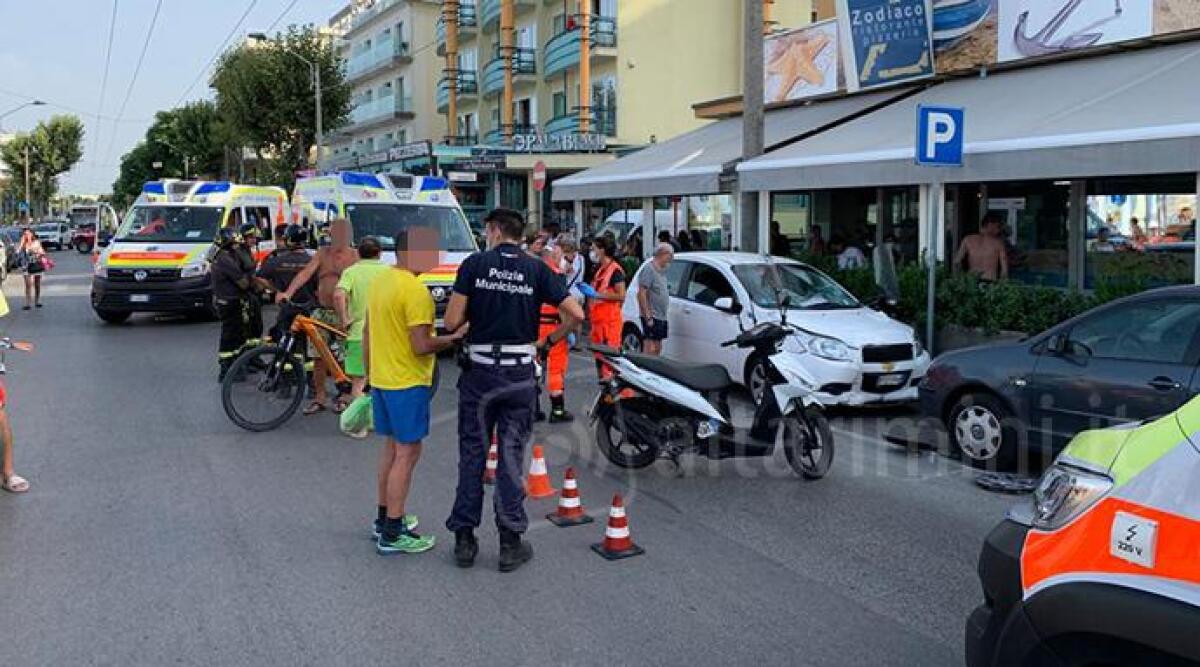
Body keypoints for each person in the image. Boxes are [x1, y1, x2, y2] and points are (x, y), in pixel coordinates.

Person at [443, 208, 583, 572]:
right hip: (520, 373)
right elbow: (576, 314)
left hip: (480, 373)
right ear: (520, 234)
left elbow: (452, 320)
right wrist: (547, 342)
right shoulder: (537, 268)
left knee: (473, 454)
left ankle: (464, 540)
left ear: (493, 230)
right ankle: (509, 543)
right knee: (509, 456)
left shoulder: (475, 264)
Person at [367, 227, 468, 556]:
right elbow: (421, 344)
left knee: (391, 451)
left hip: (382, 379)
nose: (437, 257)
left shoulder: (381, 280)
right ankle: (394, 533)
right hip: (407, 382)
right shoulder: (415, 291)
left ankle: (384, 520)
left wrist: (369, 375)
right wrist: (454, 338)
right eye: (431, 251)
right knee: (407, 455)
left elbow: (368, 332)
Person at [279, 218, 359, 415]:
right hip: (321, 311)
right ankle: (320, 397)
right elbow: (305, 274)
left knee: (344, 357)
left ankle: (345, 396)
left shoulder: (355, 256)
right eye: (332, 234)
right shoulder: (322, 254)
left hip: (344, 312)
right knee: (318, 358)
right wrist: (288, 293)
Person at [334, 236, 390, 408]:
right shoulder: (389, 272)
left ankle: (361, 422)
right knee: (385, 380)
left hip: (359, 334)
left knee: (358, 382)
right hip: (386, 335)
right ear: (379, 253)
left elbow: (338, 295)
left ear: (358, 253)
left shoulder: (351, 272)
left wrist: (344, 319)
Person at [535, 245, 573, 423]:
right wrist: (567, 328)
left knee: (533, 366)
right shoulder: (556, 276)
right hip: (553, 328)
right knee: (556, 368)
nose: (562, 259)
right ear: (552, 257)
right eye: (559, 255)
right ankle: (557, 411)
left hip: (534, 327)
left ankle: (533, 409)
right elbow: (563, 304)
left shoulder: (533, 273)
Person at [211, 227, 251, 382]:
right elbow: (242, 283)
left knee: (233, 334)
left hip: (223, 299)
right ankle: (227, 369)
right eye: (234, 243)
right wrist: (249, 279)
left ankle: (232, 366)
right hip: (230, 301)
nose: (237, 246)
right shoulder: (226, 260)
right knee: (230, 336)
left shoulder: (218, 255)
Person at [587, 234, 626, 379]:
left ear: (602, 250)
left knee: (609, 362)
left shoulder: (615, 271)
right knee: (600, 359)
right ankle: (606, 393)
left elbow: (621, 295)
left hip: (608, 325)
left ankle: (614, 396)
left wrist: (597, 295)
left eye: (594, 248)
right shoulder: (600, 269)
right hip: (599, 323)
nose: (592, 251)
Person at [637, 242, 674, 356]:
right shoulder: (649, 269)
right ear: (663, 254)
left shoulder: (662, 271)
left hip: (661, 316)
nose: (671, 259)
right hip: (652, 315)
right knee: (650, 348)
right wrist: (648, 316)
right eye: (670, 256)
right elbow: (642, 294)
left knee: (657, 347)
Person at [953, 212, 1009, 281]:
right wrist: (1002, 285)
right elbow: (1004, 270)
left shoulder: (968, 240)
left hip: (972, 282)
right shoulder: (998, 244)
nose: (999, 230)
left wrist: (961, 280)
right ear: (991, 225)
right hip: (990, 282)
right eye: (998, 227)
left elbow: (957, 262)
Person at [237, 223, 265, 349]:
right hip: (244, 295)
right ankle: (249, 357)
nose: (254, 240)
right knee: (248, 327)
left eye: (255, 237)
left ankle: (253, 355)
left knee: (257, 325)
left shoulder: (247, 251)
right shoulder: (238, 252)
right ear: (243, 237)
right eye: (250, 237)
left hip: (252, 293)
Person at [16, 228, 46, 311]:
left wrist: (38, 252)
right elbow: (17, 253)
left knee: (37, 284)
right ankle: (28, 303)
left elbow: (41, 252)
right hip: (26, 265)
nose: (27, 235)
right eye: (25, 234)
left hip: (36, 264)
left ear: (32, 234)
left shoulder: (36, 242)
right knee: (28, 285)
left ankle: (37, 301)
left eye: (28, 234)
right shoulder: (22, 243)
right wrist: (21, 244)